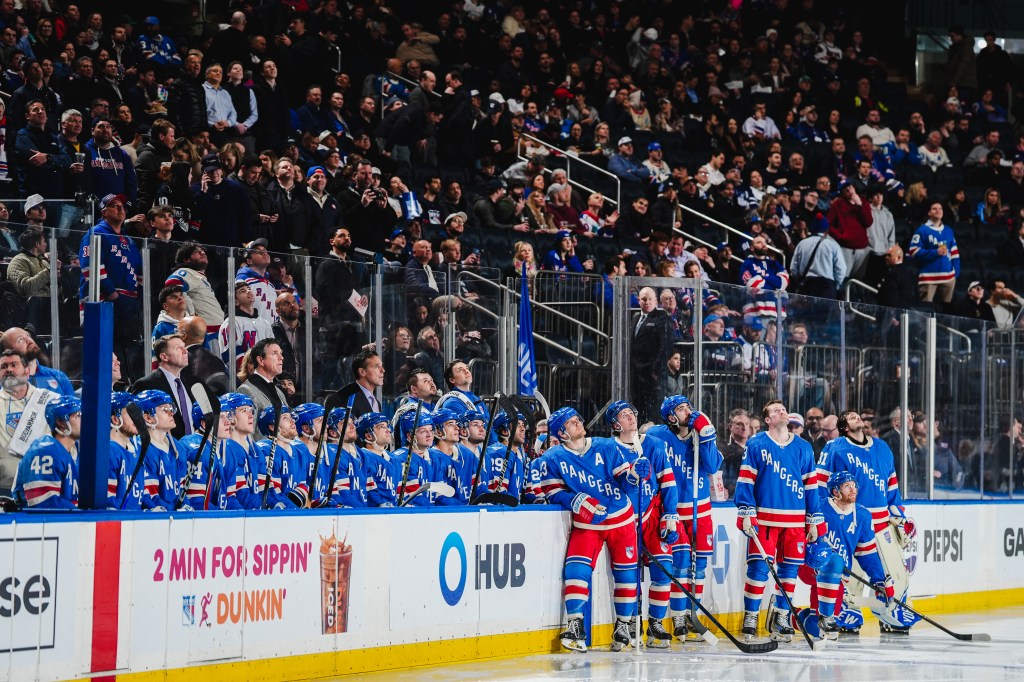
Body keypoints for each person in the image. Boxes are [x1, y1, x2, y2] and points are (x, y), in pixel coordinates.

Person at [532, 406, 649, 652]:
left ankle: (623, 625)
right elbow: (551, 492)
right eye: (572, 422)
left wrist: (635, 476)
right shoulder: (552, 458)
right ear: (562, 433)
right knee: (575, 570)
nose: (579, 423)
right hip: (588, 523)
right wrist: (574, 500)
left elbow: (625, 482)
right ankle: (576, 625)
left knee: (626, 573)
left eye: (578, 419)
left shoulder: (606, 446)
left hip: (621, 518)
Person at [815, 410, 919, 632]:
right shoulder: (835, 448)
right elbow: (820, 487)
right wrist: (825, 520)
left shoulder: (882, 448)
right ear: (843, 427)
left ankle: (890, 611)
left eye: (857, 415)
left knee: (894, 573)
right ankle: (845, 610)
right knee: (848, 576)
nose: (857, 418)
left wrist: (898, 515)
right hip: (849, 524)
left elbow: (891, 486)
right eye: (850, 417)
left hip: (881, 522)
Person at [736, 399, 822, 642]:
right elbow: (745, 481)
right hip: (764, 519)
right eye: (776, 410)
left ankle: (781, 616)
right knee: (758, 570)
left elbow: (811, 487)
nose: (782, 411)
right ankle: (751, 616)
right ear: (767, 420)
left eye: (783, 408)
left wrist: (813, 520)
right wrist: (746, 511)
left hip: (795, 522)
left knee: (789, 571)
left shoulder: (804, 448)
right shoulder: (756, 444)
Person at [646, 396, 723, 640]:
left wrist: (708, 436)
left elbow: (711, 467)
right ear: (670, 417)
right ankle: (678, 616)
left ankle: (692, 615)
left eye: (688, 406)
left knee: (698, 567)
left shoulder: (701, 433)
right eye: (681, 409)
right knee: (680, 564)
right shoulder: (658, 436)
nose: (688, 411)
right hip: (674, 512)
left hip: (701, 510)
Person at [796, 472, 899, 639]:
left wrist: (879, 579)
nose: (853, 489)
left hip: (837, 575)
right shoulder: (818, 509)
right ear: (835, 492)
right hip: (810, 566)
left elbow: (868, 554)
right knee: (834, 562)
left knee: (822, 632)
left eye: (854, 485)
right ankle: (825, 617)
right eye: (847, 486)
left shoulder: (863, 515)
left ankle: (788, 617)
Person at [79, 193, 143, 376]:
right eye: (114, 206)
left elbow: (139, 271)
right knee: (105, 346)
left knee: (127, 348)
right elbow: (89, 267)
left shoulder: (128, 240)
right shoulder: (96, 233)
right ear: (103, 212)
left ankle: (123, 382)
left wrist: (138, 294)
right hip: (103, 302)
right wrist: (110, 291)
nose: (121, 209)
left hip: (128, 304)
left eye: (122, 205)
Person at [0, 349, 59, 495]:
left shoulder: (51, 400)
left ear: (27, 371)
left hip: (47, 487)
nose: (8, 370)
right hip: (4, 490)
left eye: (14, 365)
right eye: (4, 367)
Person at [13, 396, 81, 509]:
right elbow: (45, 504)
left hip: (67, 521)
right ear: (61, 422)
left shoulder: (76, 450)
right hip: (37, 524)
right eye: (78, 416)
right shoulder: (44, 452)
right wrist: (82, 514)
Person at [131, 334, 195, 438]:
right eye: (179, 348)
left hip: (193, 449)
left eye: (184, 347)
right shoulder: (146, 384)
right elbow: (136, 421)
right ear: (164, 357)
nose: (185, 351)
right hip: (165, 449)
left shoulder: (190, 383)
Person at [134, 389, 184, 511]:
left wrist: (184, 506)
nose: (171, 413)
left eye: (171, 409)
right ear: (148, 417)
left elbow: (182, 492)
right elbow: (149, 496)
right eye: (165, 410)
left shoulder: (179, 448)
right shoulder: (140, 448)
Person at [631, 287, 673, 423]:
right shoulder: (635, 318)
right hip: (636, 375)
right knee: (639, 412)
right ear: (639, 301)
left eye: (650, 299)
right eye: (644, 299)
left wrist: (655, 370)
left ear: (656, 301)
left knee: (654, 414)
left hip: (653, 376)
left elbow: (665, 346)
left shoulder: (662, 317)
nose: (647, 302)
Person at [908, 202, 960, 306]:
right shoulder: (922, 230)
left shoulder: (948, 230)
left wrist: (955, 274)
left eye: (940, 208)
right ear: (929, 213)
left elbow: (955, 254)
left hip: (948, 278)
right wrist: (935, 252)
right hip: (928, 278)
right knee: (925, 311)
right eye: (934, 209)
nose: (938, 211)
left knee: (946, 312)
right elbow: (913, 251)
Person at [236, 338, 289, 436]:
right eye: (274, 353)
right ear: (260, 360)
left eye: (280, 353)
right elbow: (248, 433)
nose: (281, 357)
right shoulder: (246, 390)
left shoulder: (279, 391)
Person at [0, 327, 73, 395]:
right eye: (20, 340)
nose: (29, 340)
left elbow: (74, 408)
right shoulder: (4, 386)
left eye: (27, 335)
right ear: (8, 352)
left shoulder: (58, 376)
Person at [218, 281, 274, 370]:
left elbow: (273, 350)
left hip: (265, 373)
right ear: (235, 301)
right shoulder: (231, 323)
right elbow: (231, 355)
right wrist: (251, 371)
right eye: (242, 291)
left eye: (249, 289)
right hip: (244, 376)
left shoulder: (265, 323)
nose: (248, 291)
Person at [789, 213, 846, 298]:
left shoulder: (802, 244)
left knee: (806, 311)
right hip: (827, 288)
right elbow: (841, 269)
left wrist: (800, 281)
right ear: (827, 231)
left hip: (806, 286)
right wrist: (836, 286)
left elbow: (793, 268)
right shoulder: (833, 245)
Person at [107, 391, 143, 510]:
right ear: (115, 419)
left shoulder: (137, 449)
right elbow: (109, 503)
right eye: (131, 413)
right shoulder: (109, 451)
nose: (138, 418)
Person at [357, 412, 400, 508]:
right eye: (381, 427)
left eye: (387, 426)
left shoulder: (394, 460)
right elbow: (368, 492)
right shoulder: (362, 457)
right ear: (368, 436)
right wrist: (379, 505)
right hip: (372, 514)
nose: (388, 430)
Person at [739, 235, 789, 318]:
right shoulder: (747, 263)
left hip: (777, 314)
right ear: (752, 248)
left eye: (765, 242)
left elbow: (783, 282)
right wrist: (774, 284)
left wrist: (763, 277)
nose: (764, 245)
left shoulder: (774, 263)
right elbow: (752, 285)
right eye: (759, 242)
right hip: (755, 313)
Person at [436, 360, 490, 424]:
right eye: (460, 370)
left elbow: (490, 427)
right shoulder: (452, 403)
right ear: (452, 380)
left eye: (467, 368)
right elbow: (462, 431)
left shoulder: (476, 399)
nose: (466, 371)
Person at [343, 349, 386, 418]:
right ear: (362, 372)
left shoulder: (376, 403)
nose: (382, 370)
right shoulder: (350, 399)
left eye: (381, 366)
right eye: (376, 366)